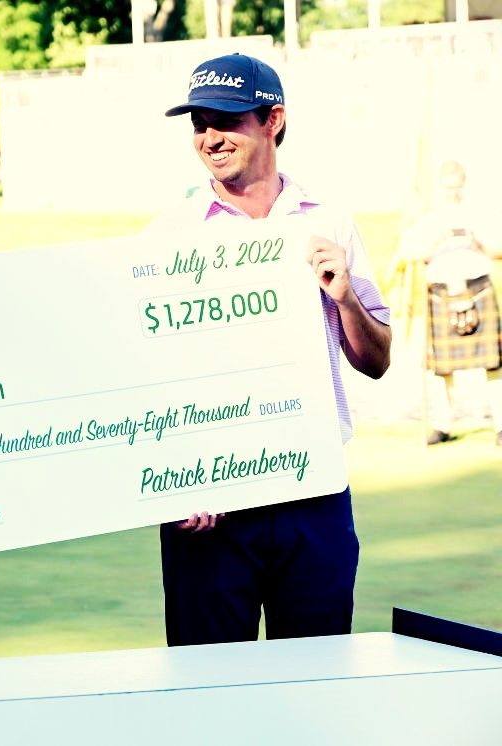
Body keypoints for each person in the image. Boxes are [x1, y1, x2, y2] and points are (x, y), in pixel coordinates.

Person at [146, 53, 392, 646]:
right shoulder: (170, 234)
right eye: (199, 123)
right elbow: (147, 374)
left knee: (315, 684)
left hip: (314, 495)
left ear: (272, 120)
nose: (210, 138)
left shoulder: (328, 221)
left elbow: (377, 359)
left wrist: (346, 300)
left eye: (226, 120)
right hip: (208, 506)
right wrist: (179, 478)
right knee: (207, 698)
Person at [394, 160, 502, 446]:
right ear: (440, 188)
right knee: (441, 368)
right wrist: (434, 242)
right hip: (440, 293)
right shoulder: (429, 218)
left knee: (493, 364)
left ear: (464, 185)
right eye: (448, 188)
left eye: (457, 187)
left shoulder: (479, 215)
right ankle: (442, 425)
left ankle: (501, 426)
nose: (453, 193)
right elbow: (409, 253)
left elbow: (499, 248)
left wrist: (478, 243)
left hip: (477, 289)